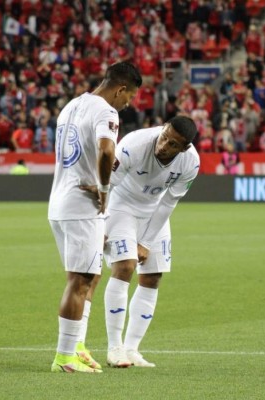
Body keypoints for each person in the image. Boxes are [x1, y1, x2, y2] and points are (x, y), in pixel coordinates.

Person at [47, 61, 142, 373]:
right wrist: (103, 188)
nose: (126, 105)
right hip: (82, 205)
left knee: (90, 274)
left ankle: (76, 344)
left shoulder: (72, 105)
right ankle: (64, 358)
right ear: (120, 89)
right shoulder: (106, 111)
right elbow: (105, 150)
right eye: (127, 99)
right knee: (80, 280)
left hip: (60, 201)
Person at [90, 116, 199, 368]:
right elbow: (108, 184)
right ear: (162, 129)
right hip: (122, 206)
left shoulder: (191, 162)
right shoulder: (134, 144)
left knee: (153, 276)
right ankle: (114, 348)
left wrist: (147, 242)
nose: (164, 145)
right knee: (125, 266)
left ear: (183, 148)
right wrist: (101, 223)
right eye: (164, 137)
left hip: (154, 211)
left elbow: (169, 202)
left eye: (173, 144)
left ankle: (132, 349)